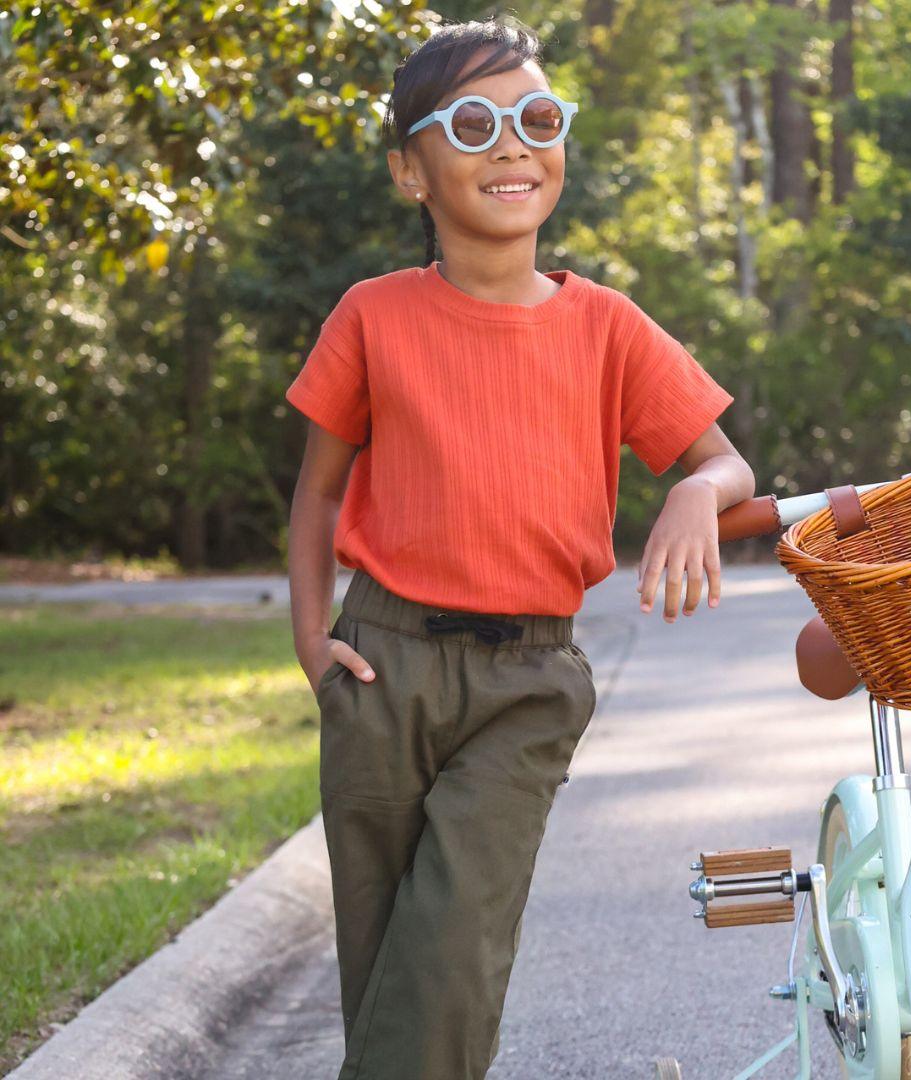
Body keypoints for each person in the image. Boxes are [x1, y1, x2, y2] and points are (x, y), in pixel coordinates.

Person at [284, 15, 755, 1080]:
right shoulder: (371, 317)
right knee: (384, 966)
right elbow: (317, 492)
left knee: (450, 948)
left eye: (536, 118)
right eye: (474, 122)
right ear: (411, 168)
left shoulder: (609, 327)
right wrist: (314, 643)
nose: (512, 143)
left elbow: (725, 464)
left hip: (529, 681)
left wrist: (692, 493)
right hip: (381, 668)